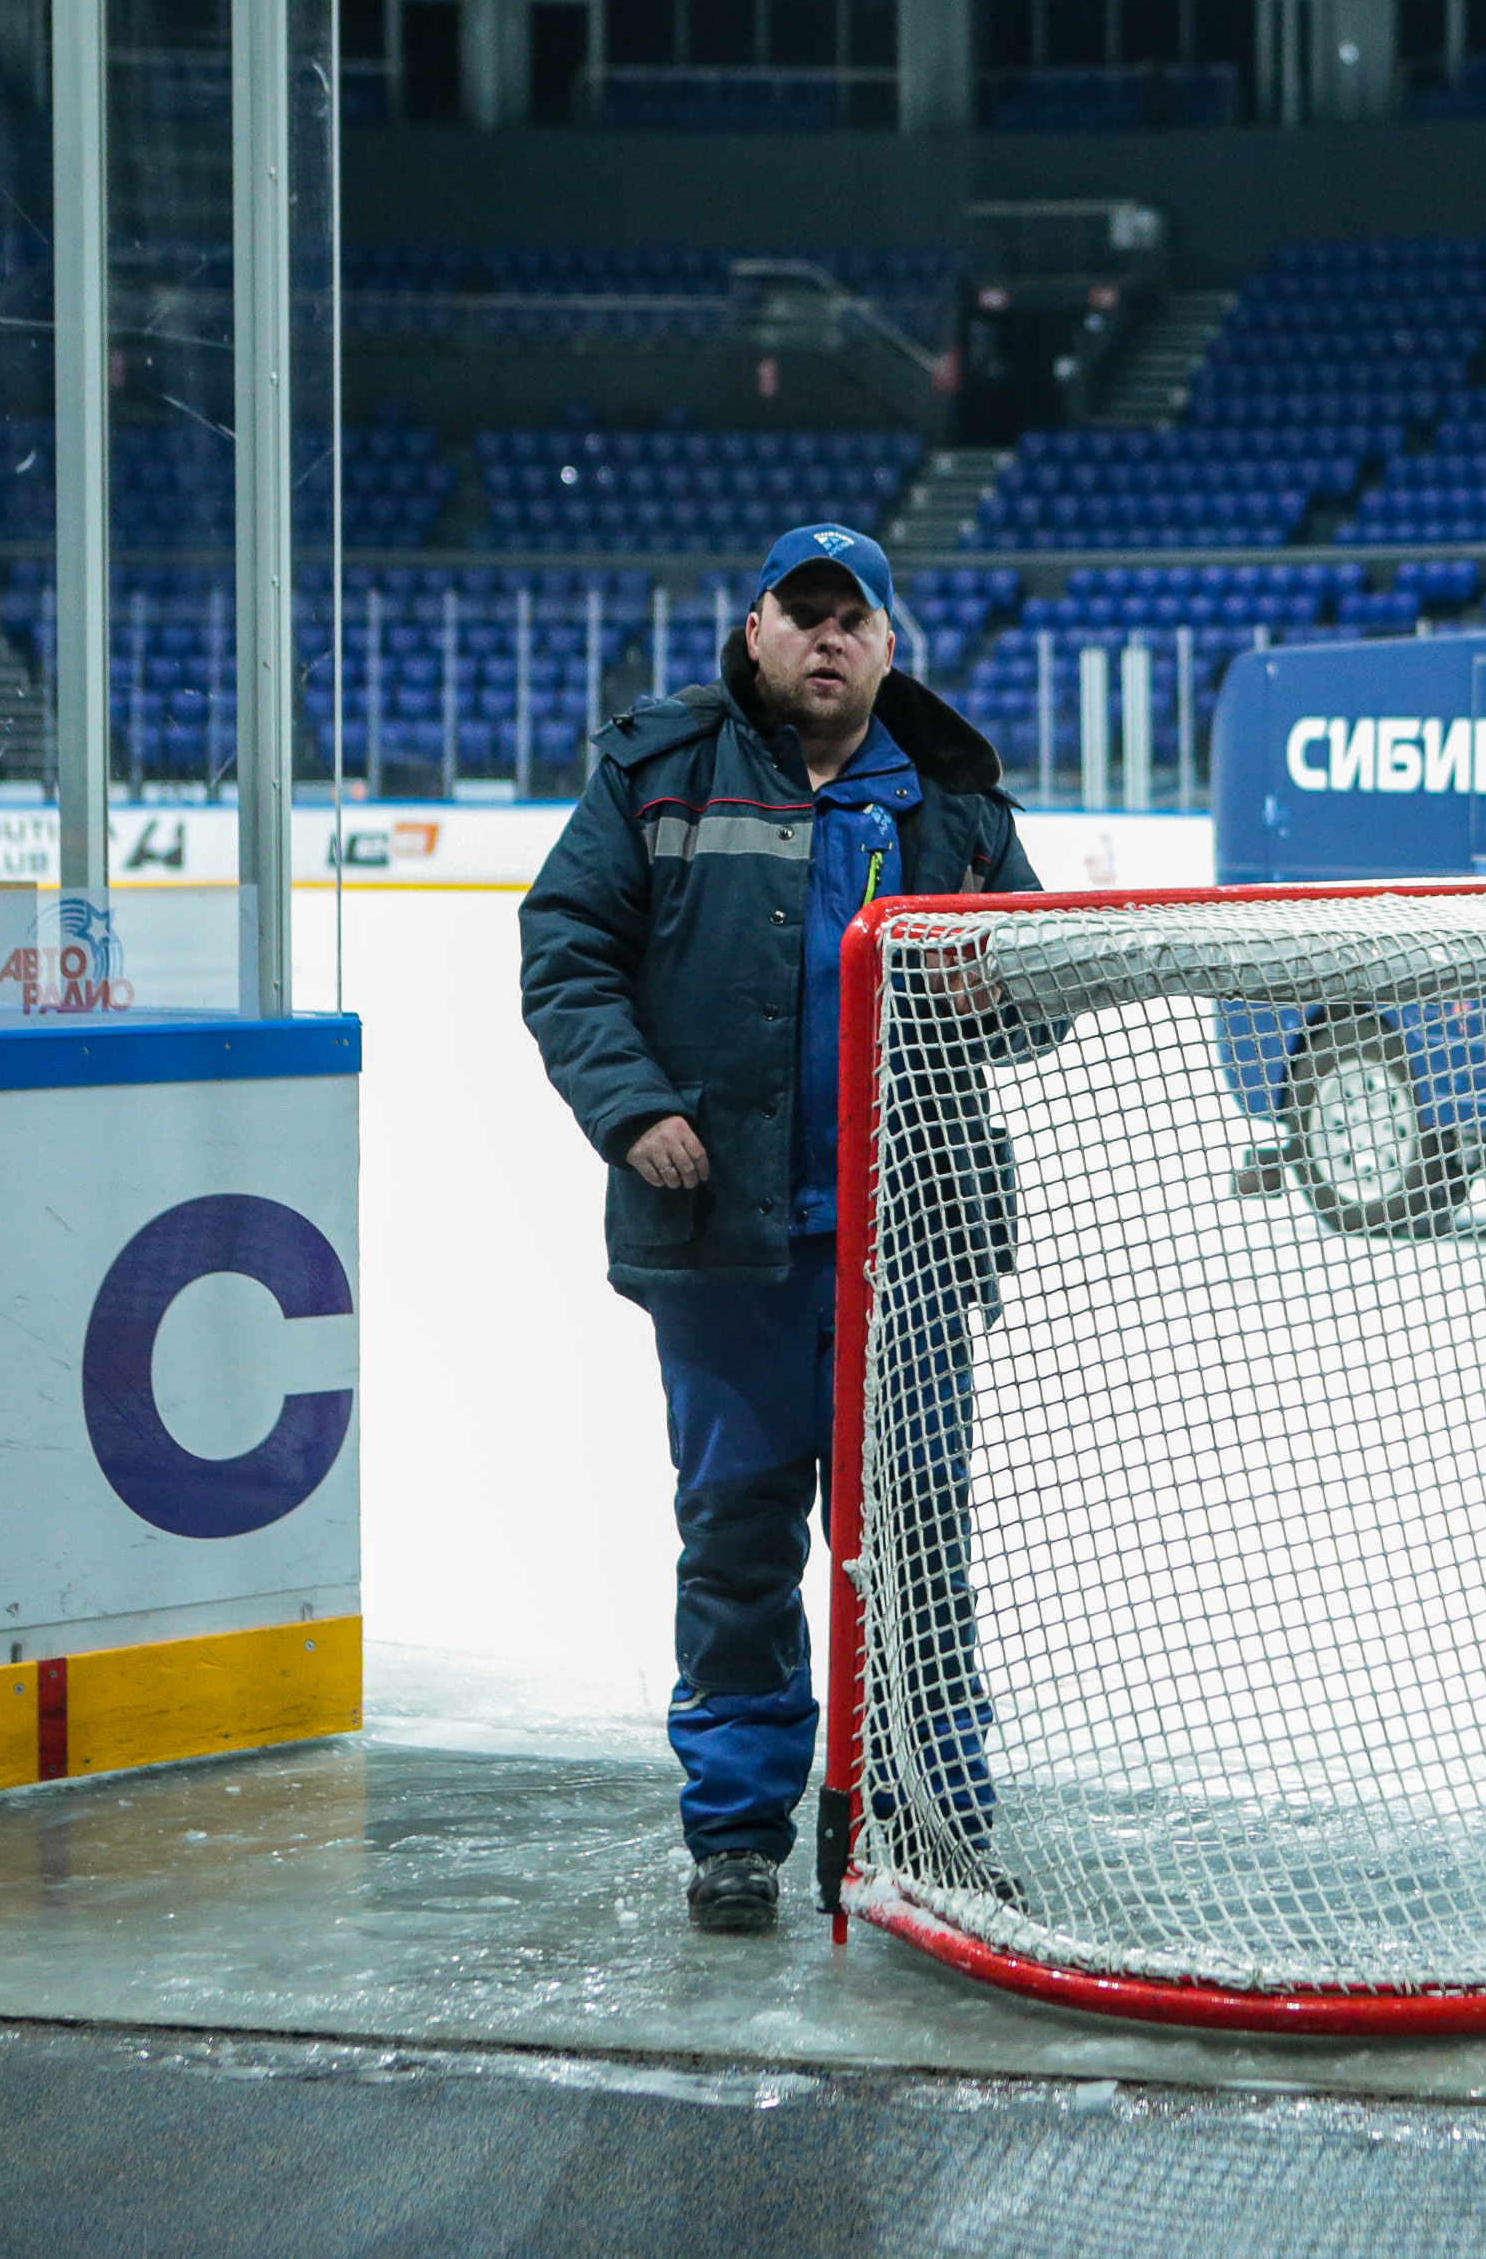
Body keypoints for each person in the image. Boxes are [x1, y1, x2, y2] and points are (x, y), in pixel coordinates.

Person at [520, 521, 1044, 1935]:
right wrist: (632, 1110)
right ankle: (740, 1825)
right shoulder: (655, 768)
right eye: (799, 614)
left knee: (920, 1541)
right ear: (750, 631)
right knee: (740, 1533)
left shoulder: (949, 798)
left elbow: (1044, 973)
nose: (826, 638)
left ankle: (932, 1814)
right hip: (723, 1249)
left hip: (911, 1246)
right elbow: (566, 951)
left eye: (851, 618)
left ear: (887, 644)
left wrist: (1020, 994)